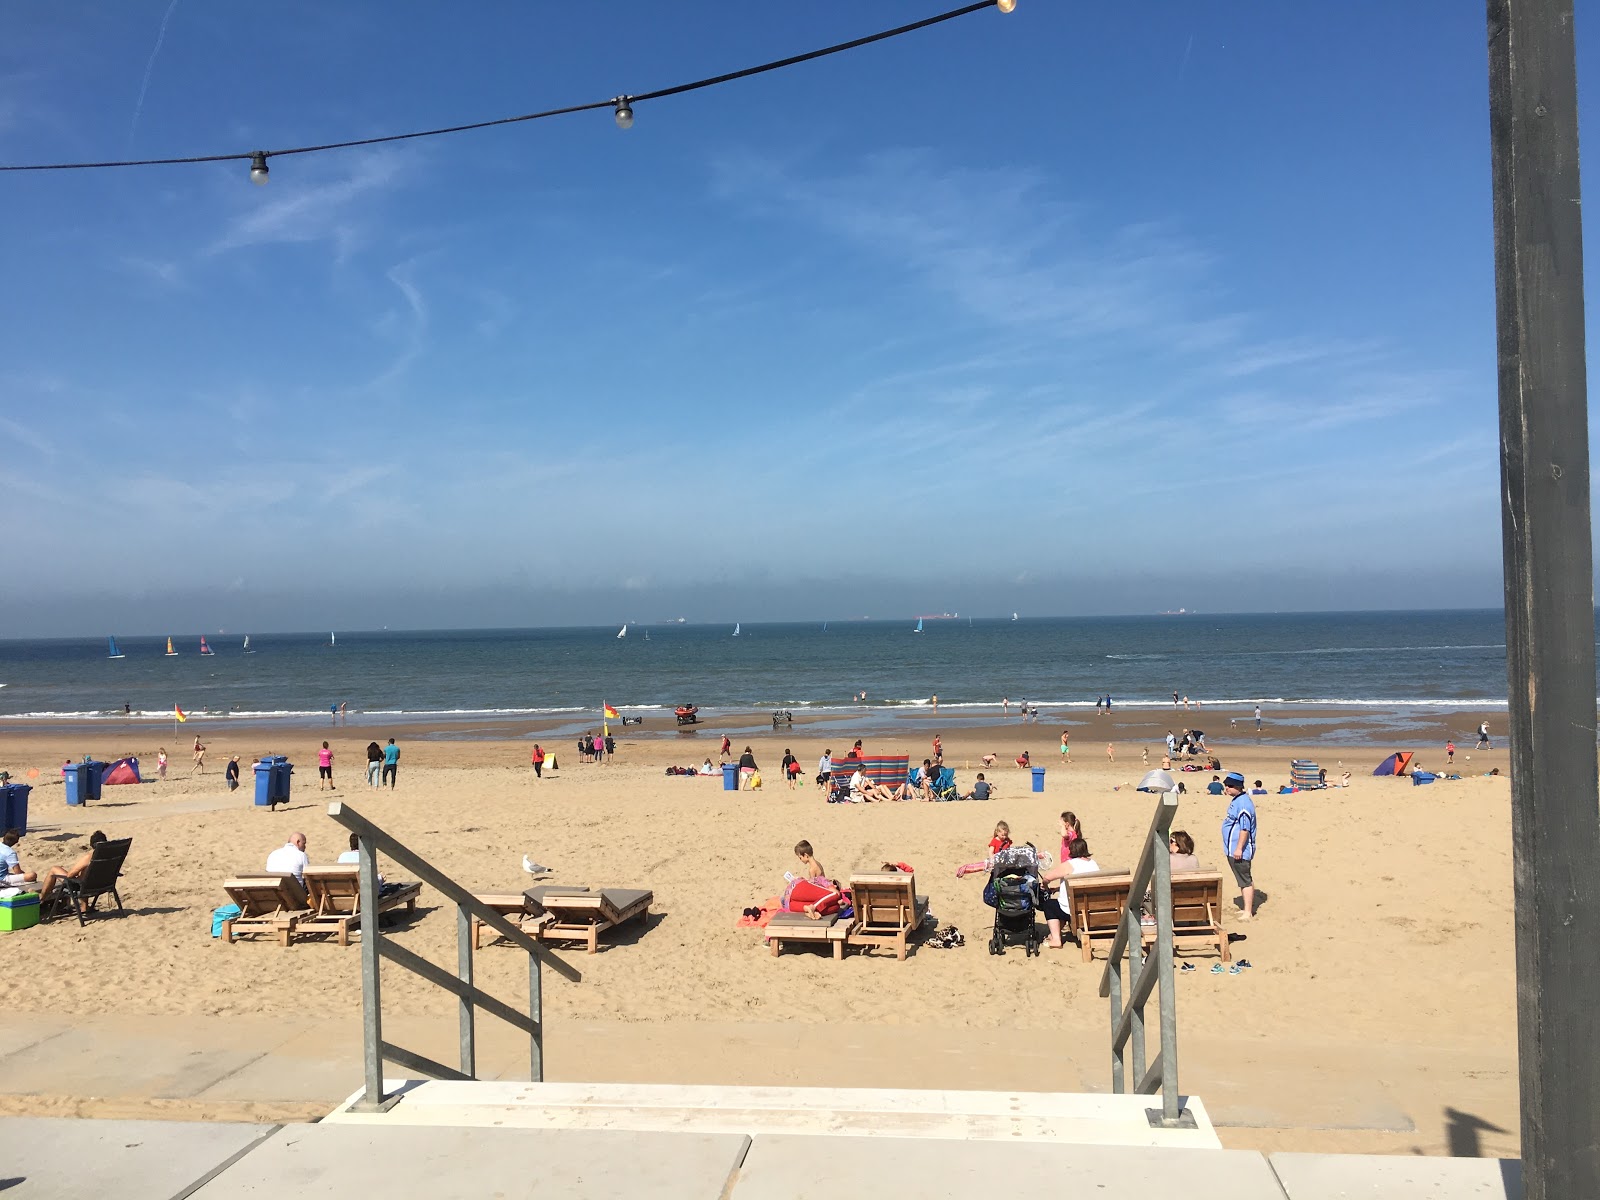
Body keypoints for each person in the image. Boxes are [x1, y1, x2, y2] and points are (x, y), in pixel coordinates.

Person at [1038, 838, 1102, 948]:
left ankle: (1056, 939)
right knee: (1062, 903)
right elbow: (1083, 884)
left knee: (1049, 905)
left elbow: (1047, 877)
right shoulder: (1093, 864)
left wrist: (1045, 885)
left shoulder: (1070, 865)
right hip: (1089, 908)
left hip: (1073, 910)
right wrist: (1058, 888)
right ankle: (1053, 934)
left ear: (1071, 851)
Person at [1220, 771, 1258, 920]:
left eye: (1229, 786)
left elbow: (1245, 828)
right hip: (1232, 849)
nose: (1226, 788)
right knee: (1241, 879)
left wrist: (1239, 848)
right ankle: (1245, 908)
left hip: (1240, 851)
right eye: (1225, 785)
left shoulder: (1243, 804)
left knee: (1245, 879)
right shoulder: (1237, 800)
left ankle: (1248, 911)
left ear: (1238, 787)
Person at [38, 830, 106, 903]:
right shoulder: (111, 855)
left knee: (54, 870)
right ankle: (84, 907)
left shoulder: (89, 857)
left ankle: (41, 898)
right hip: (103, 885)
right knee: (85, 874)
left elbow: (70, 875)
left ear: (92, 845)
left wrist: (78, 874)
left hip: (84, 887)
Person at [783, 840, 841, 918]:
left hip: (792, 896)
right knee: (835, 905)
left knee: (835, 897)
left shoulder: (812, 869)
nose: (800, 860)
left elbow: (813, 885)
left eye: (800, 857)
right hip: (802, 890)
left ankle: (812, 907)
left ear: (806, 855)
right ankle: (811, 908)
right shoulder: (818, 864)